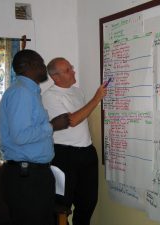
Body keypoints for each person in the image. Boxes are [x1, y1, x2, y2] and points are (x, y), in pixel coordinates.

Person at [0, 49, 70, 225]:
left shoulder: (29, 92)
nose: (44, 67)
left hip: (33, 175)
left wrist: (50, 125)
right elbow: (20, 136)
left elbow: (29, 130)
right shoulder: (21, 93)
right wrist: (52, 126)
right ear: (29, 66)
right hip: (26, 179)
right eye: (41, 63)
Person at [42, 57, 107, 225]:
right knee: (61, 204)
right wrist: (96, 98)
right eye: (67, 70)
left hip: (86, 152)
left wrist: (94, 99)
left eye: (71, 67)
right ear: (55, 77)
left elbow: (82, 116)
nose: (73, 71)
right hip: (64, 155)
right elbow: (71, 121)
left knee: (88, 202)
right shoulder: (49, 96)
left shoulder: (77, 91)